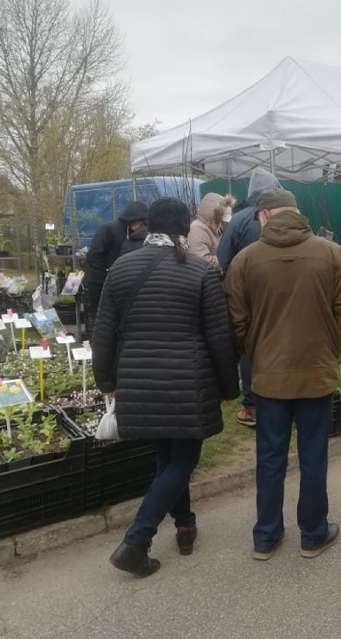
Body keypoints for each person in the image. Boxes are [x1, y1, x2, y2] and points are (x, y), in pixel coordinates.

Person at [93, 197, 239, 577]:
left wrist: (106, 381)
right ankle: (137, 540)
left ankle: (186, 525)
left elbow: (103, 331)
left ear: (147, 225)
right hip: (186, 384)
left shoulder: (120, 269)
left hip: (137, 381)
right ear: (182, 228)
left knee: (166, 458)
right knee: (184, 459)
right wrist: (229, 387)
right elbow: (219, 337)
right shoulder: (200, 272)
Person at [223, 189, 341, 563]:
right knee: (313, 455)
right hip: (317, 374)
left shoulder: (245, 260)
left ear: (265, 215)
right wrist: (333, 348)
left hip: (268, 377)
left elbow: (235, 322)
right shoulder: (330, 253)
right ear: (294, 213)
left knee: (270, 458)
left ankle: (265, 537)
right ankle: (313, 535)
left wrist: (255, 350)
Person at [217, 168, 282, 427]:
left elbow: (222, 259)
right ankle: (281, 397)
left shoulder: (239, 219)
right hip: (282, 291)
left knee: (248, 345)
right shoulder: (284, 214)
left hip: (247, 293)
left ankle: (253, 406)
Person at [85, 201, 149, 337]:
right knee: (103, 319)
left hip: (117, 282)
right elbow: (94, 255)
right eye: (140, 222)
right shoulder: (108, 230)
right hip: (100, 283)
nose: (140, 227)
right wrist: (103, 280)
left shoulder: (132, 235)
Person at [188, 193, 235, 271]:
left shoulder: (211, 229)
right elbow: (201, 260)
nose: (224, 223)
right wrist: (227, 260)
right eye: (222, 220)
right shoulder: (197, 229)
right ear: (215, 216)